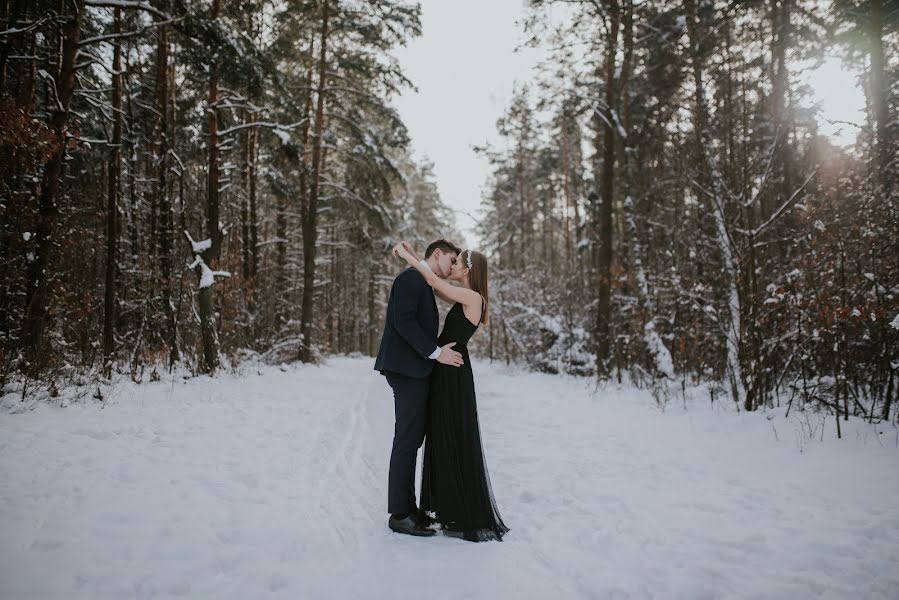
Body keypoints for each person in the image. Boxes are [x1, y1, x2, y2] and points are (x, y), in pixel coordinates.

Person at [391, 241, 509, 542]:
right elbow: (433, 280)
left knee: (453, 433)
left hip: (453, 370)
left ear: (467, 269)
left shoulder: (472, 297)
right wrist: (419, 259)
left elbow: (431, 279)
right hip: (445, 368)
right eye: (451, 261)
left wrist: (406, 255)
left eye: (457, 263)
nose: (452, 266)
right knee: (442, 433)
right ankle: (444, 504)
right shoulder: (463, 295)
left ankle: (458, 507)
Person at [374, 239, 463, 537]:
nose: (452, 268)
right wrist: (437, 353)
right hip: (406, 369)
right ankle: (399, 514)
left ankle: (408, 508)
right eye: (451, 260)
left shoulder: (421, 278)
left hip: (414, 368)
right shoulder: (411, 278)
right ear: (437, 254)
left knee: (412, 438)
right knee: (407, 438)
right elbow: (404, 321)